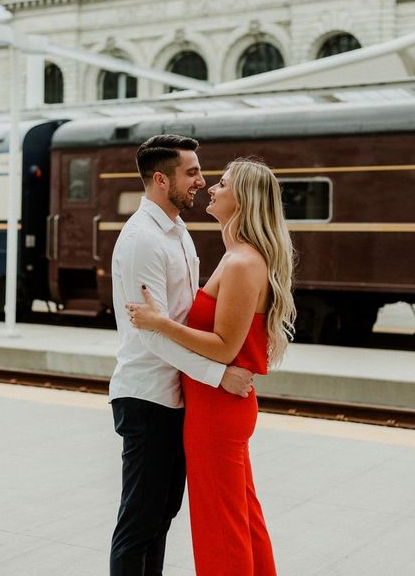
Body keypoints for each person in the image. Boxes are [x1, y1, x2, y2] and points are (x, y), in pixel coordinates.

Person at [127, 158, 296, 576]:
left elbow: (223, 348)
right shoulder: (238, 256)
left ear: (244, 200)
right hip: (218, 405)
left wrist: (160, 323)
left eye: (222, 183)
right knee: (241, 516)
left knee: (220, 525)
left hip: (216, 409)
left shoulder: (241, 263)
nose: (211, 188)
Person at [109, 135, 254, 576]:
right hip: (148, 395)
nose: (201, 180)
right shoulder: (141, 240)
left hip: (175, 397)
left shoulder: (178, 232)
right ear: (159, 179)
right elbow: (152, 335)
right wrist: (218, 374)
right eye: (191, 173)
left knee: (161, 517)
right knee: (140, 521)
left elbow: (181, 318)